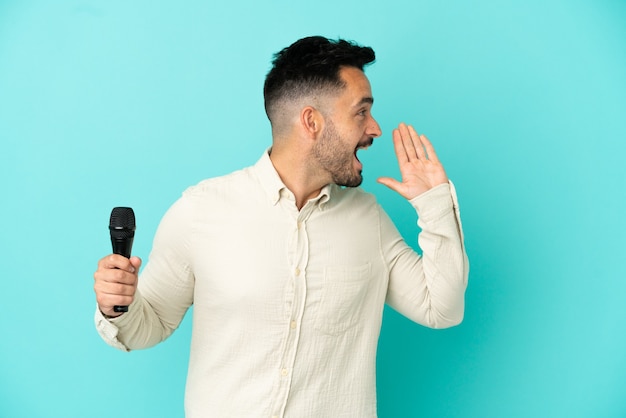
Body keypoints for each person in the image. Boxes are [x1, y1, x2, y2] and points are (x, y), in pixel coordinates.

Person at [93, 36, 468, 417]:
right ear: (312, 121)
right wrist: (117, 306)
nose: (375, 128)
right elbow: (149, 325)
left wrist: (434, 203)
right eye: (361, 112)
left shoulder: (368, 219)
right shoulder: (201, 211)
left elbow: (442, 307)